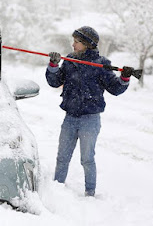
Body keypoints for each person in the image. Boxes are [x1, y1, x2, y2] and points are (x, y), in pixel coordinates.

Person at [45, 26, 133, 197]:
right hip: (70, 117)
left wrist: (124, 78)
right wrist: (53, 65)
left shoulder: (101, 64)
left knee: (87, 159)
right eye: (74, 41)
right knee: (62, 157)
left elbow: (115, 88)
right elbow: (55, 82)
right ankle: (56, 190)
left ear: (87, 44)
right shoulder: (70, 60)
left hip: (90, 120)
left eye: (77, 42)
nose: (73, 45)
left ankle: (90, 193)